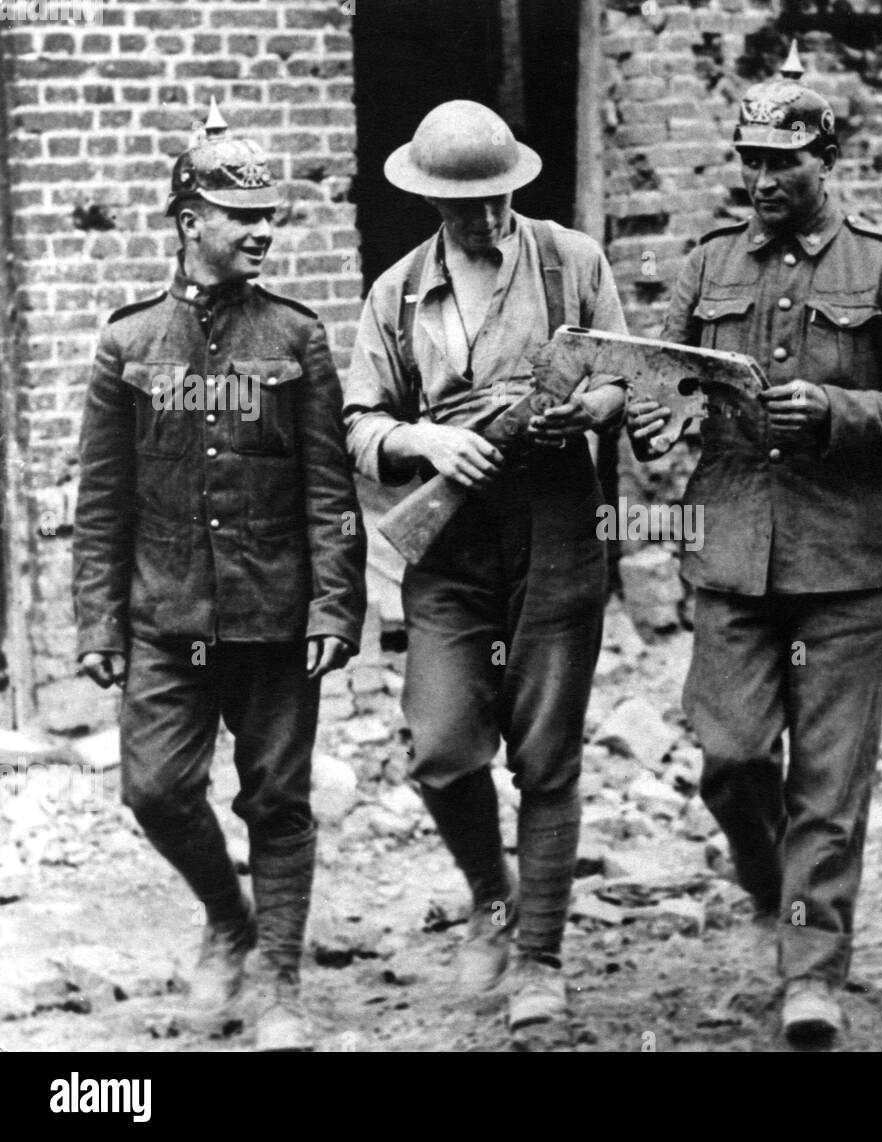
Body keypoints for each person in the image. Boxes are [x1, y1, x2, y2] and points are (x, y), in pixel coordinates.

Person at [628, 60, 882, 1047]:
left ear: (826, 158)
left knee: (827, 781)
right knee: (730, 761)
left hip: (842, 565)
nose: (761, 179)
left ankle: (812, 972)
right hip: (729, 551)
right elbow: (664, 376)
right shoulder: (705, 264)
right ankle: (784, 903)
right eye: (750, 161)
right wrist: (657, 422)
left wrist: (833, 413)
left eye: (782, 162)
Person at [73, 103, 366, 1051]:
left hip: (276, 614)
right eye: (242, 215)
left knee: (278, 800)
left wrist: (335, 605)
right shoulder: (127, 345)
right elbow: (103, 499)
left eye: (271, 215)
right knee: (154, 790)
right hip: (166, 613)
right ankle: (228, 918)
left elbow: (330, 488)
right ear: (189, 220)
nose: (263, 231)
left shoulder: (296, 338)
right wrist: (97, 626)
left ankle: (278, 975)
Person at [342, 100, 628, 1039]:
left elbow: (624, 373)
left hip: (553, 525)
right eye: (465, 205)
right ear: (431, 201)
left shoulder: (573, 260)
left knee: (547, 755)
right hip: (452, 541)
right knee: (440, 745)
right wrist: (425, 439)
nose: (486, 218)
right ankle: (489, 899)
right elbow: (358, 422)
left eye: (499, 198)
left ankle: (539, 956)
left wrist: (586, 412)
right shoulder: (396, 293)